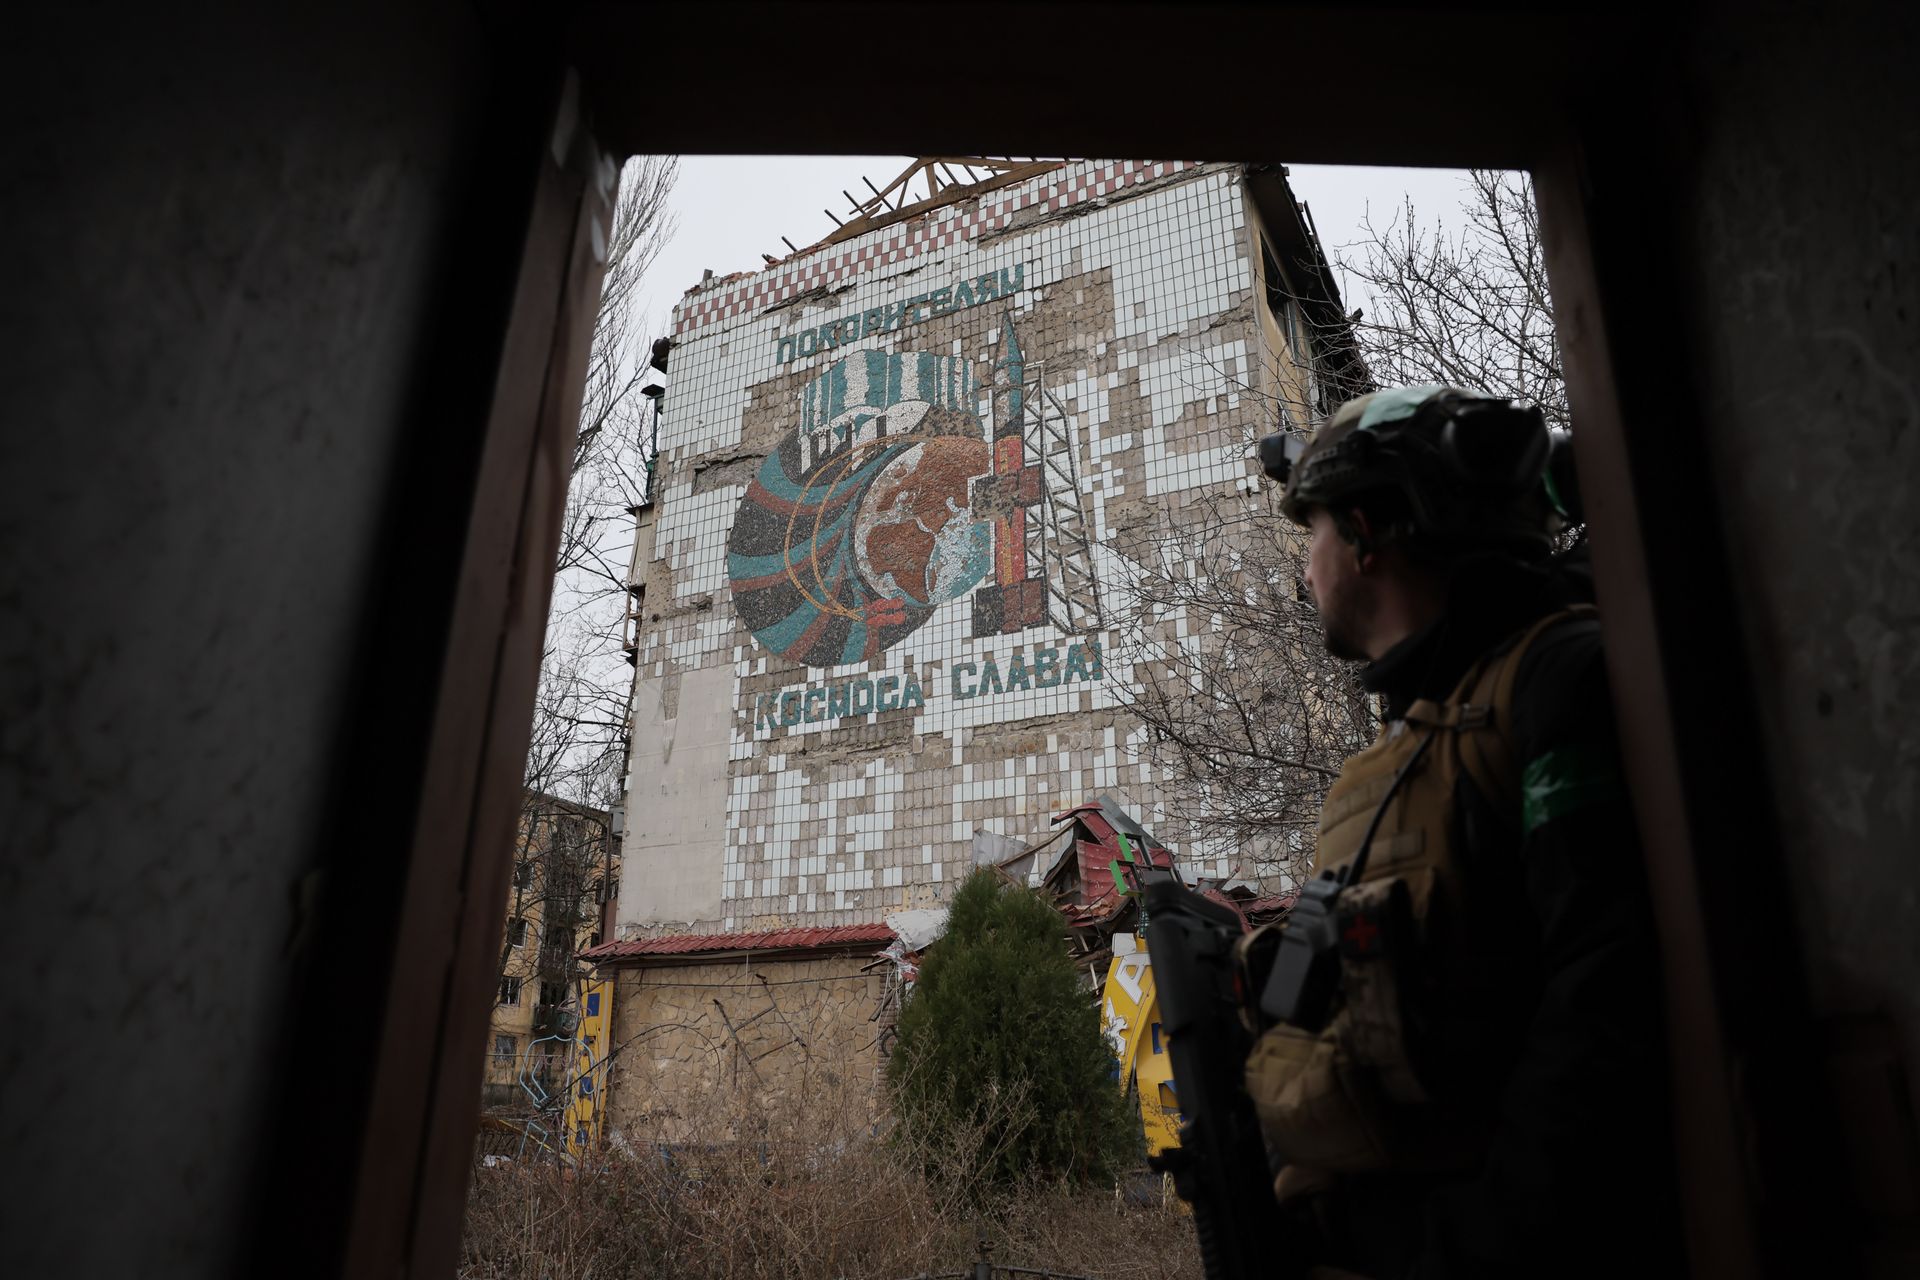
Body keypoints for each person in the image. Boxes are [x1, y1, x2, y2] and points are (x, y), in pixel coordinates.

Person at [1247, 386, 1683, 1279]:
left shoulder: (1555, 679)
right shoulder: (1429, 725)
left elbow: (1608, 1001)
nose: (1307, 569)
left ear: (1366, 534)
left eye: (1314, 534)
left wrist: (1464, 1245)